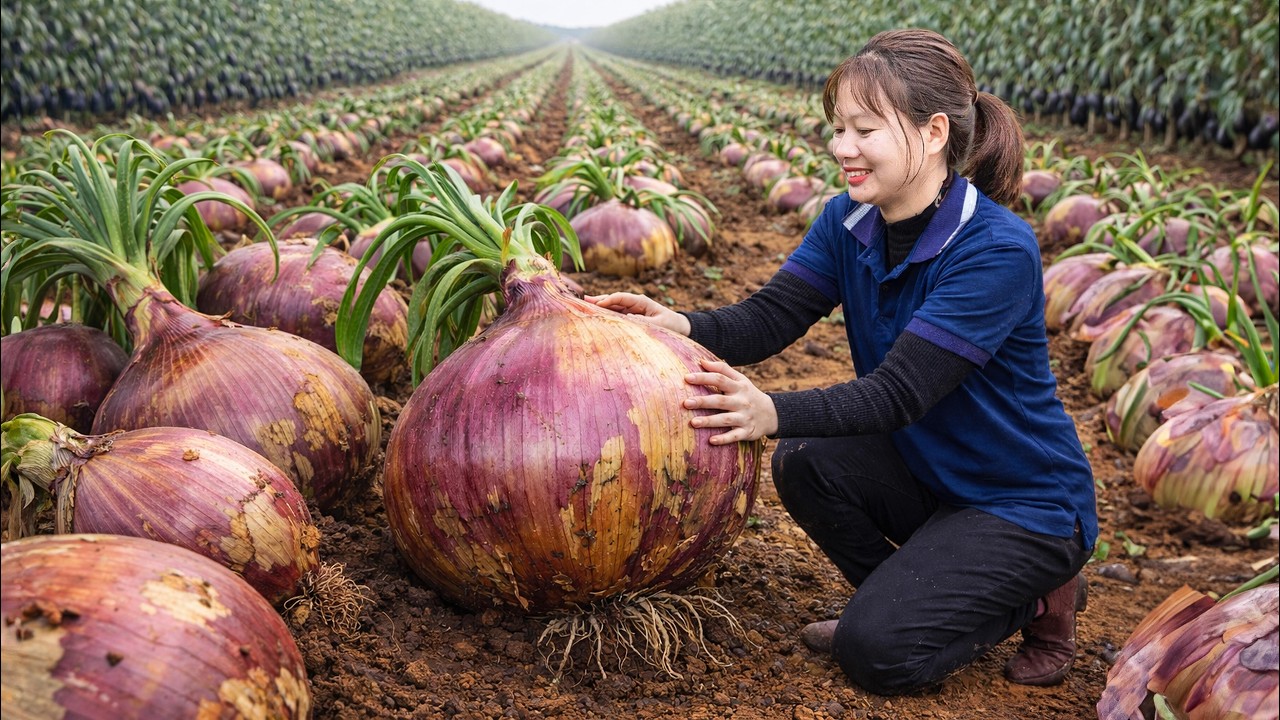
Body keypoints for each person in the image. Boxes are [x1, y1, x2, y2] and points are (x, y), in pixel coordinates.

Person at [586, 28, 1098, 695]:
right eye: (837, 128)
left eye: (863, 130)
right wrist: (675, 322)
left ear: (934, 132)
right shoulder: (848, 220)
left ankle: (1035, 596)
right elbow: (769, 318)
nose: (840, 148)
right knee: (804, 458)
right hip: (933, 472)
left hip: (1023, 501)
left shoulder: (995, 249)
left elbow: (898, 395)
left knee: (879, 656)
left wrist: (767, 409)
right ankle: (911, 603)